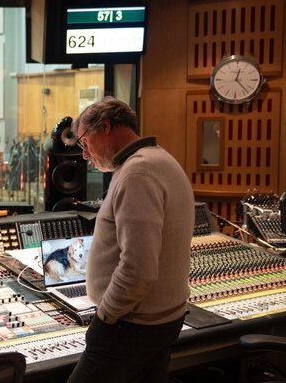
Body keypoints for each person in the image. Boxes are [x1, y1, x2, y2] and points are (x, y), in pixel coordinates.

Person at [66, 97, 194, 383]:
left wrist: (106, 317)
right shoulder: (160, 159)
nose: (85, 154)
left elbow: (138, 268)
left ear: (107, 128)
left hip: (131, 326)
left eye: (85, 142)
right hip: (159, 321)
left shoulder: (138, 173)